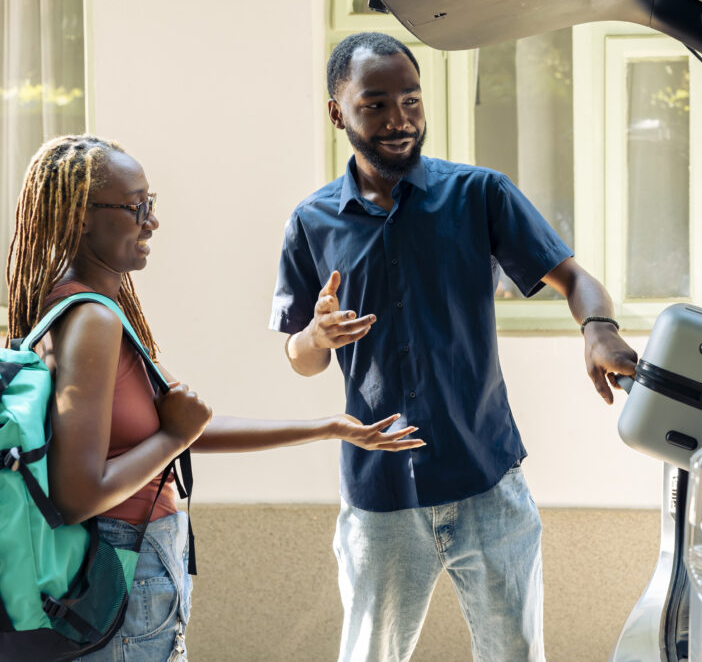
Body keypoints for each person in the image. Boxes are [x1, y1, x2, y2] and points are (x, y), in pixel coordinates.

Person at [269, 32, 638, 661]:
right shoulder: (311, 223)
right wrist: (314, 335)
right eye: (375, 104)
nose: (398, 120)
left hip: (486, 480)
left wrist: (597, 327)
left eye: (410, 101)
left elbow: (573, 278)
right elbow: (301, 358)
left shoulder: (479, 196)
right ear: (338, 111)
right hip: (379, 499)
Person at [5, 134, 426, 662]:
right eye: (136, 206)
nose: (150, 221)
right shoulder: (92, 320)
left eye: (150, 204)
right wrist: (176, 435)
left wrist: (330, 426)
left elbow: (183, 429)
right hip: (126, 568)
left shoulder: (67, 307)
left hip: (120, 568)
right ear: (81, 216)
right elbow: (79, 493)